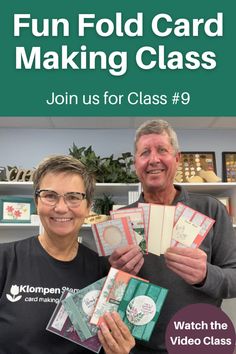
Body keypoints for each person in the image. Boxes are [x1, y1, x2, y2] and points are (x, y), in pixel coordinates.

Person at [109, 119, 236, 354]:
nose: (153, 159)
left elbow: (234, 278)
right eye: (145, 152)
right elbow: (112, 294)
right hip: (139, 346)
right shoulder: (122, 218)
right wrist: (117, 275)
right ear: (136, 163)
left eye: (162, 150)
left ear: (177, 158)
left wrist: (206, 275)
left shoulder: (210, 209)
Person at [0, 155, 135, 354]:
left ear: (88, 206)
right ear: (37, 201)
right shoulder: (5, 259)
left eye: (73, 197)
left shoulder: (103, 271)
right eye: (50, 195)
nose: (61, 208)